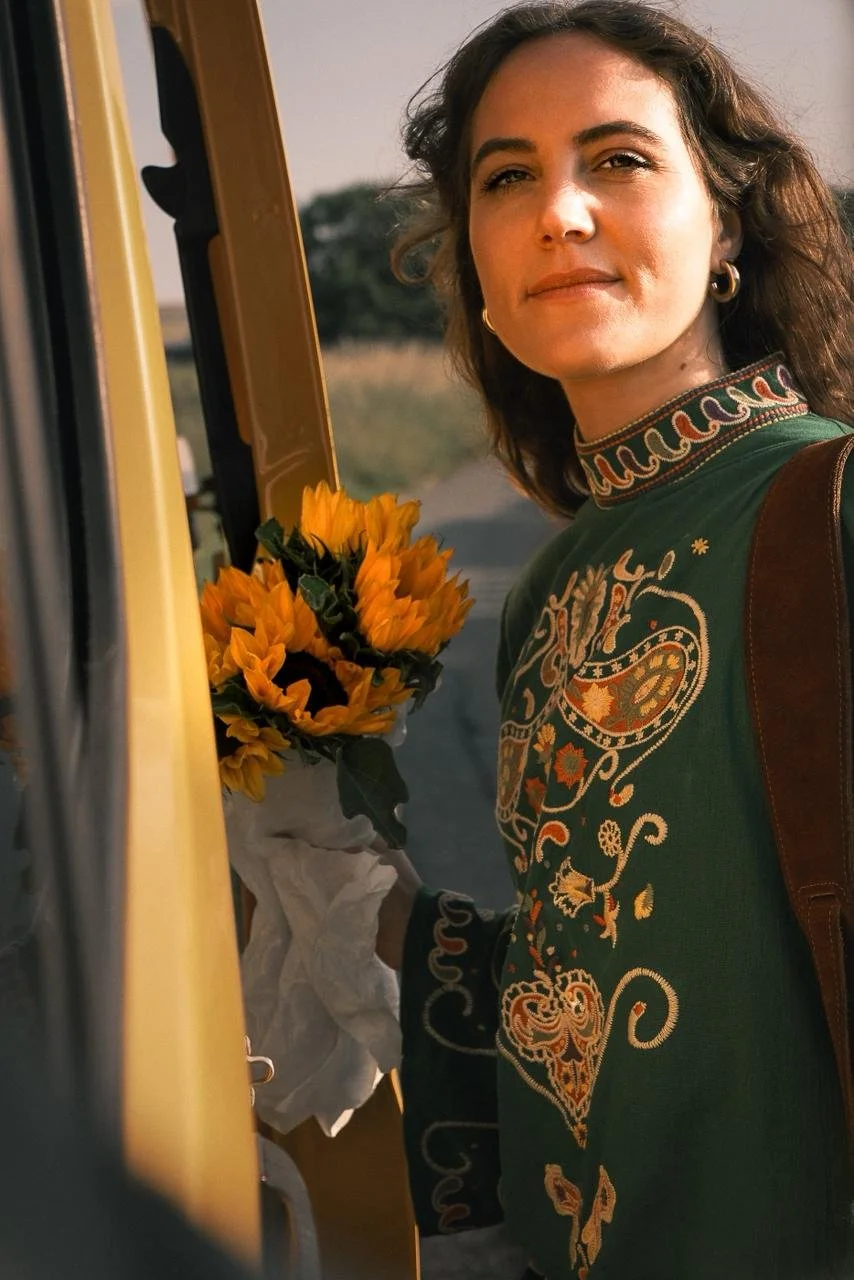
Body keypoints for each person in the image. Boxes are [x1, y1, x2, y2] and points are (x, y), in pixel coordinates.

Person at [375, 2, 854, 1277]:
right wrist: (366, 916)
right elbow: (583, 972)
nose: (560, 211)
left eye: (619, 160)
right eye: (506, 176)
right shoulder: (552, 584)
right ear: (470, 251)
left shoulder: (829, 507)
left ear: (728, 223)